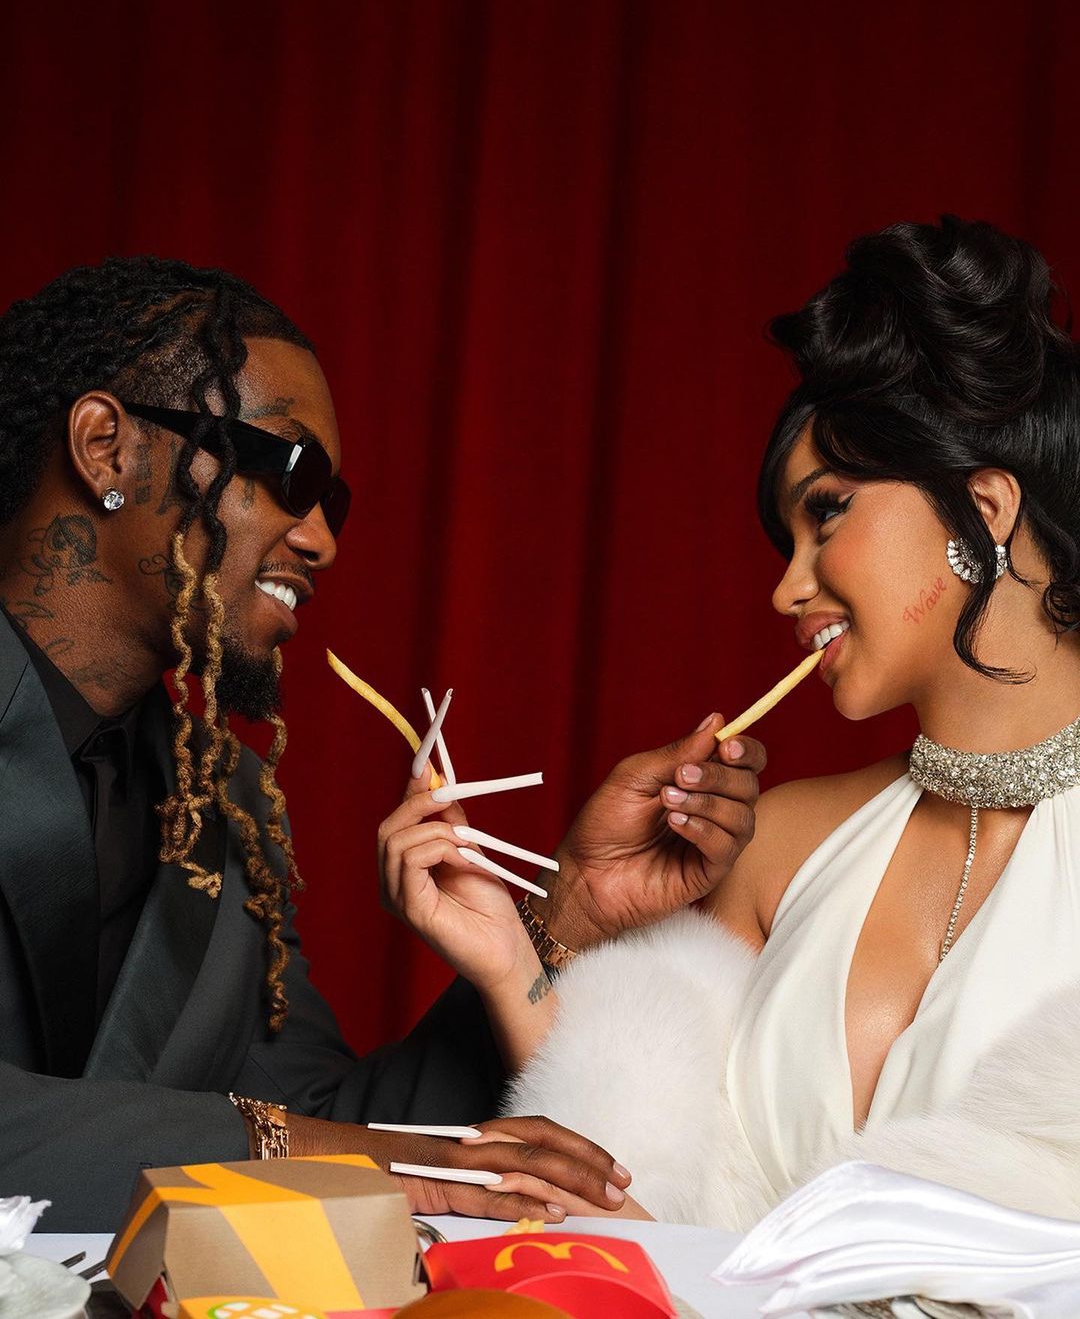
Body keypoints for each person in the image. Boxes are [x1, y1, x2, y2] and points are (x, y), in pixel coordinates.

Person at [2, 257, 761, 1230]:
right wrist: (323, 1155)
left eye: (335, 502)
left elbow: (332, 1120)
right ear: (106, 449)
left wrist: (565, 913)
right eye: (290, 475)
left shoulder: (226, 807)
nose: (321, 538)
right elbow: (318, 1148)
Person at [380, 215, 1080, 1228]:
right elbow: (639, 1215)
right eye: (785, 541)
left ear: (987, 507)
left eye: (827, 512)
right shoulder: (781, 846)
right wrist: (515, 963)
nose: (788, 588)